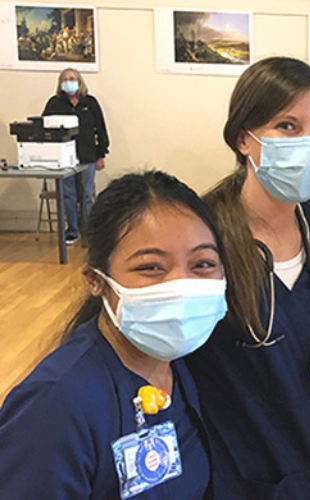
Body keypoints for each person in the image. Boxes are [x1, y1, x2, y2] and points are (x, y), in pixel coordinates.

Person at [185, 56, 310, 499]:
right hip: (240, 478)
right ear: (243, 139)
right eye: (287, 126)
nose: (308, 142)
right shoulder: (202, 238)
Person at [0, 171, 228, 498]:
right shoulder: (55, 404)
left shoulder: (176, 366)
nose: (181, 286)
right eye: (151, 267)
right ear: (96, 280)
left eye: (203, 264)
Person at [43, 67, 110, 245]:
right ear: (60, 83)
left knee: (87, 194)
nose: (69, 81)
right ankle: (72, 230)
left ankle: (88, 232)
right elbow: (44, 129)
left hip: (87, 155)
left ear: (79, 81)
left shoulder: (90, 102)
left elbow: (101, 129)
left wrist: (101, 154)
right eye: (65, 79)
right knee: (68, 194)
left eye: (72, 78)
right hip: (64, 157)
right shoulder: (54, 103)